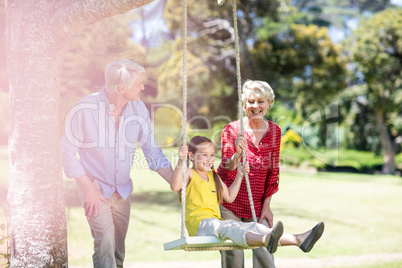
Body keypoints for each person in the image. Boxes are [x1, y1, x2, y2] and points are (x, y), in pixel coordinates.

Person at [61, 59, 173, 268]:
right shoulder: (85, 108)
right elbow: (67, 153)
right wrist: (88, 189)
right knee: (105, 245)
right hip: (95, 189)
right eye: (138, 83)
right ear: (121, 88)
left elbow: (152, 151)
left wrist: (177, 183)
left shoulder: (138, 108)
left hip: (122, 190)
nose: (142, 86)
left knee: (118, 251)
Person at [170, 136, 324, 254]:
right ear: (191, 156)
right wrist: (180, 161)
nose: (209, 159)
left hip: (216, 223)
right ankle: (265, 240)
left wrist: (240, 175)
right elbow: (175, 185)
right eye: (204, 155)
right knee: (230, 226)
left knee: (253, 226)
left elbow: (229, 196)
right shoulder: (189, 172)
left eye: (211, 155)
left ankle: (299, 239)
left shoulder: (213, 176)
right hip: (201, 226)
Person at [216, 80, 283, 267]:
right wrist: (238, 153)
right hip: (230, 204)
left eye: (261, 101)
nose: (256, 106)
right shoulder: (232, 130)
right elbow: (226, 167)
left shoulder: (275, 132)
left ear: (269, 103)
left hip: (257, 205)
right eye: (251, 102)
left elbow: (273, 172)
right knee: (234, 257)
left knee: (265, 255)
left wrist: (267, 205)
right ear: (244, 104)